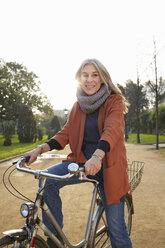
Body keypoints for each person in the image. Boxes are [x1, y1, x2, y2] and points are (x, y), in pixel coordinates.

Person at [25, 58, 133, 248]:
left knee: (117, 230)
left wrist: (98, 156)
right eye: (85, 75)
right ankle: (54, 240)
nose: (89, 80)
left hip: (108, 167)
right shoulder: (78, 106)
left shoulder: (113, 101)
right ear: (79, 79)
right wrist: (39, 149)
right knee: (48, 181)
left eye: (94, 75)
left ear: (102, 79)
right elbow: (65, 133)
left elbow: (112, 129)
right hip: (82, 162)